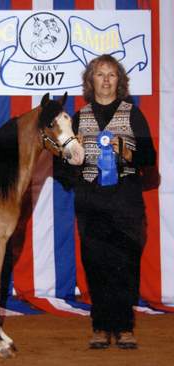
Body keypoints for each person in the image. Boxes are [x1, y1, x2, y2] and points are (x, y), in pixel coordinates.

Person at [55, 54, 156, 349]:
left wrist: (125, 150)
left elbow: (149, 158)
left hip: (125, 199)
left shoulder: (132, 113)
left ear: (120, 81)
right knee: (95, 263)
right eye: (100, 74)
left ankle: (124, 327)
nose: (106, 80)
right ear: (91, 81)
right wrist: (75, 166)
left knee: (125, 263)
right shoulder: (78, 116)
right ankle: (100, 326)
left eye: (112, 74)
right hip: (91, 200)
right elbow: (62, 165)